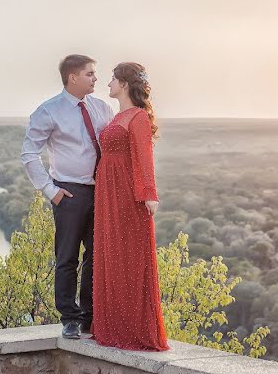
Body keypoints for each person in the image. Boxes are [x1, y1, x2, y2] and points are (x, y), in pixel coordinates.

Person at [21, 54, 114, 339]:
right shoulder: (48, 111)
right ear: (72, 77)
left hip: (101, 193)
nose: (96, 78)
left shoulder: (102, 108)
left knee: (97, 257)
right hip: (69, 193)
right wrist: (51, 191)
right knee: (67, 258)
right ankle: (69, 319)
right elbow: (28, 154)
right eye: (90, 74)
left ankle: (89, 317)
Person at [92, 62, 169, 351]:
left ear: (124, 84)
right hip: (107, 195)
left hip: (125, 196)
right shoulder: (117, 116)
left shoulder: (137, 117)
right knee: (109, 254)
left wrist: (149, 195)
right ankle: (110, 326)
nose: (108, 83)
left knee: (127, 257)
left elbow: (143, 157)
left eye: (112, 78)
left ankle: (131, 331)